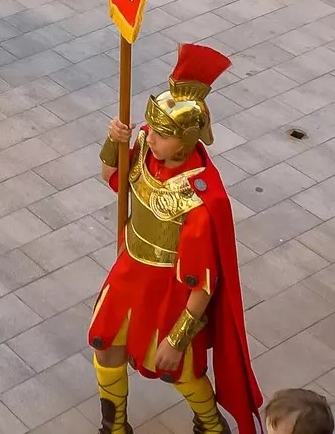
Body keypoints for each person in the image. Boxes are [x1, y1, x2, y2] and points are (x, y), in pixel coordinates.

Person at [87, 44, 262, 434]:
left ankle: (211, 425)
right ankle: (113, 426)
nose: (149, 136)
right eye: (151, 128)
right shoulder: (147, 155)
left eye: (161, 133)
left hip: (170, 291)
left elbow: (204, 283)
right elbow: (110, 177)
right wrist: (114, 140)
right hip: (129, 270)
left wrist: (178, 337)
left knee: (178, 369)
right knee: (105, 344)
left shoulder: (199, 201)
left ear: (185, 139)